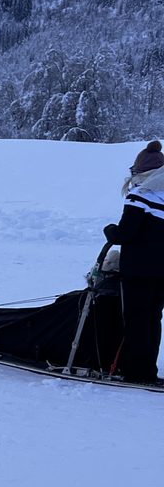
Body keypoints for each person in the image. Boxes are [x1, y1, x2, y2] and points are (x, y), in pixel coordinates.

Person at [104, 139, 164, 385]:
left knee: (136, 319)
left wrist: (110, 231)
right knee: (153, 318)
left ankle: (134, 371)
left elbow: (126, 233)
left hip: (138, 269)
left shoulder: (140, 195)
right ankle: (147, 369)